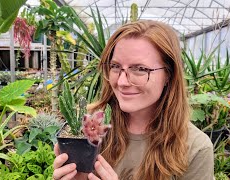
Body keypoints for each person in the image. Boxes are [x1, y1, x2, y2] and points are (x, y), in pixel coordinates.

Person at [53, 20, 214, 180]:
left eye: (140, 69)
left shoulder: (195, 148)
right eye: (115, 66)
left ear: (169, 75)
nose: (122, 82)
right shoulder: (90, 127)